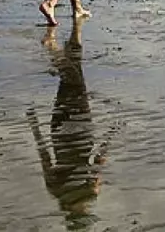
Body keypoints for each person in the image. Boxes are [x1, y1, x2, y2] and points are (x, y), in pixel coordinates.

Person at [27, 19, 106, 229]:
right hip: (60, 131)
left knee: (73, 80)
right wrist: (34, 127)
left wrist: (111, 136)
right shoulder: (55, 191)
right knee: (72, 78)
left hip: (82, 128)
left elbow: (99, 161)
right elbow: (44, 155)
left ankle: (52, 46)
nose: (87, 210)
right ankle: (75, 34)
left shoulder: (90, 192)